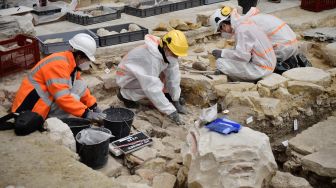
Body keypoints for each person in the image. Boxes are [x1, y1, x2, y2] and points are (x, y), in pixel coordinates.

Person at [11, 33, 106, 122]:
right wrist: (86, 113)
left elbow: (80, 87)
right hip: (31, 110)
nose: (88, 63)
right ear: (79, 56)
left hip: (44, 101)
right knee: (70, 98)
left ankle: (60, 115)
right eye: (87, 59)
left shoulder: (71, 64)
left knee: (81, 84)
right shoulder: (58, 65)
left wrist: (93, 106)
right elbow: (63, 98)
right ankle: (56, 120)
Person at [116, 30, 188, 125]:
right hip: (127, 77)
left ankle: (166, 97)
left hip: (142, 72)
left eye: (177, 55)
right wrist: (171, 111)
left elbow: (173, 76)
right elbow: (151, 87)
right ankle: (125, 95)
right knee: (152, 87)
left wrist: (175, 99)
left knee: (165, 77)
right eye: (174, 54)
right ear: (166, 47)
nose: (176, 57)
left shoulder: (164, 52)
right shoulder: (150, 58)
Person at [209, 6, 276, 81]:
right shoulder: (244, 24)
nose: (221, 33)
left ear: (224, 26)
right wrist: (226, 53)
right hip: (268, 64)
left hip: (261, 69)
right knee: (228, 57)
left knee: (220, 63)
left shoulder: (241, 30)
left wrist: (223, 53)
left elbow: (243, 57)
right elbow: (242, 50)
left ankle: (243, 81)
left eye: (220, 31)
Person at [245, 7, 304, 74]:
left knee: (256, 62)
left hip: (282, 50)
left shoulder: (246, 26)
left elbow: (248, 49)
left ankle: (281, 67)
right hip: (293, 44)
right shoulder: (258, 17)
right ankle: (292, 62)